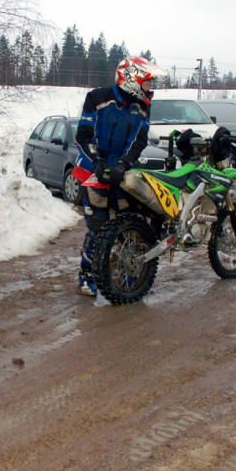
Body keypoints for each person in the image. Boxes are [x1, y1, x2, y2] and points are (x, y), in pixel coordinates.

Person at [73, 56, 167, 297]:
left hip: (121, 171)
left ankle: (129, 271)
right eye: (146, 82)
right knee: (98, 227)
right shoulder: (97, 98)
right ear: (131, 80)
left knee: (130, 221)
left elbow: (139, 139)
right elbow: (84, 135)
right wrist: (98, 161)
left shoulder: (143, 105)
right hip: (93, 168)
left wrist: (124, 164)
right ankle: (87, 274)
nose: (149, 88)